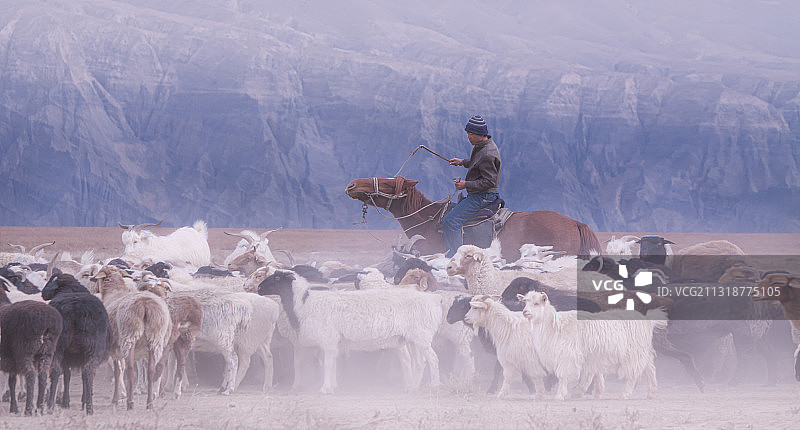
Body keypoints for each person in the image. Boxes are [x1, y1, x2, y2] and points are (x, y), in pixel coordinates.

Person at [443, 115, 502, 258]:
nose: (468, 137)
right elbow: (477, 162)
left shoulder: (487, 153)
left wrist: (465, 184)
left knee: (450, 221)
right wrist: (462, 162)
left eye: (471, 134)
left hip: (483, 196)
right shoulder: (483, 146)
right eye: (467, 133)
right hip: (481, 194)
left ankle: (459, 258)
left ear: (480, 134)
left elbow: (490, 182)